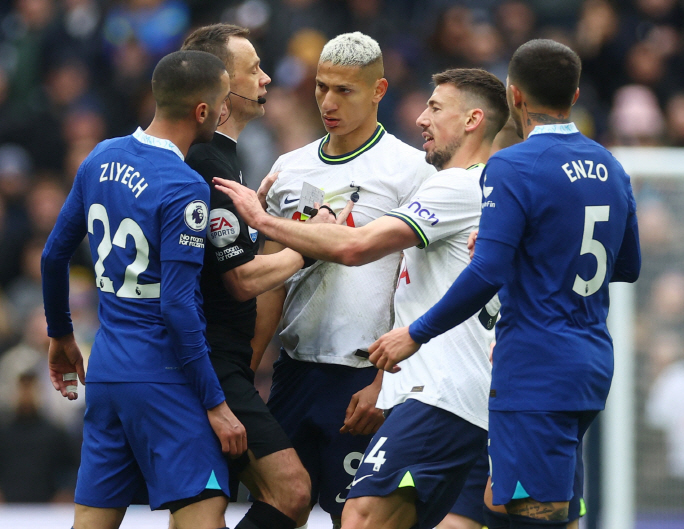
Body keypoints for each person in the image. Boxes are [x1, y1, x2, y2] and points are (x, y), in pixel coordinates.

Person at [216, 67, 508, 529]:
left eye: (434, 108)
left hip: (438, 393)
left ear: (472, 120)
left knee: (360, 517)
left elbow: (355, 246)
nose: (421, 119)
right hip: (432, 390)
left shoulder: (454, 186)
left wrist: (264, 220)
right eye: (320, 87)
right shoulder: (482, 190)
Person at [367, 39, 641, 529]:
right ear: (575, 95)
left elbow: (487, 271)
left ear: (514, 95)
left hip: (533, 362)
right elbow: (626, 266)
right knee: (523, 502)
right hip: (591, 361)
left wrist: (416, 333)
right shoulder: (612, 167)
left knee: (532, 512)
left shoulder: (513, 166)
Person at [40, 50, 247, 529]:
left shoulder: (100, 156)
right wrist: (216, 405)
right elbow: (176, 306)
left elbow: (53, 257)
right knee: (203, 510)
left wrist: (61, 336)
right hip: (164, 376)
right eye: (221, 104)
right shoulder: (183, 186)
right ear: (202, 112)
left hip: (107, 372)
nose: (223, 113)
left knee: (92, 520)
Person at [242, 32, 436, 527]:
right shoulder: (290, 168)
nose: (329, 102)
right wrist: (247, 372)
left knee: (356, 518)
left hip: (363, 376)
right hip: (295, 371)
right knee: (276, 507)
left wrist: (383, 383)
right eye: (322, 87)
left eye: (345, 91)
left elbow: (422, 286)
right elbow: (271, 286)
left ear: (379, 90)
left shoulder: (411, 171)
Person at [179, 23, 311, 529]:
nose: (267, 78)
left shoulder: (224, 162)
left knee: (204, 510)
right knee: (292, 491)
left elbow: (221, 256)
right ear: (220, 87)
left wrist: (263, 219)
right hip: (211, 363)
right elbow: (239, 280)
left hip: (217, 359)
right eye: (253, 69)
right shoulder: (208, 162)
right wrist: (309, 244)